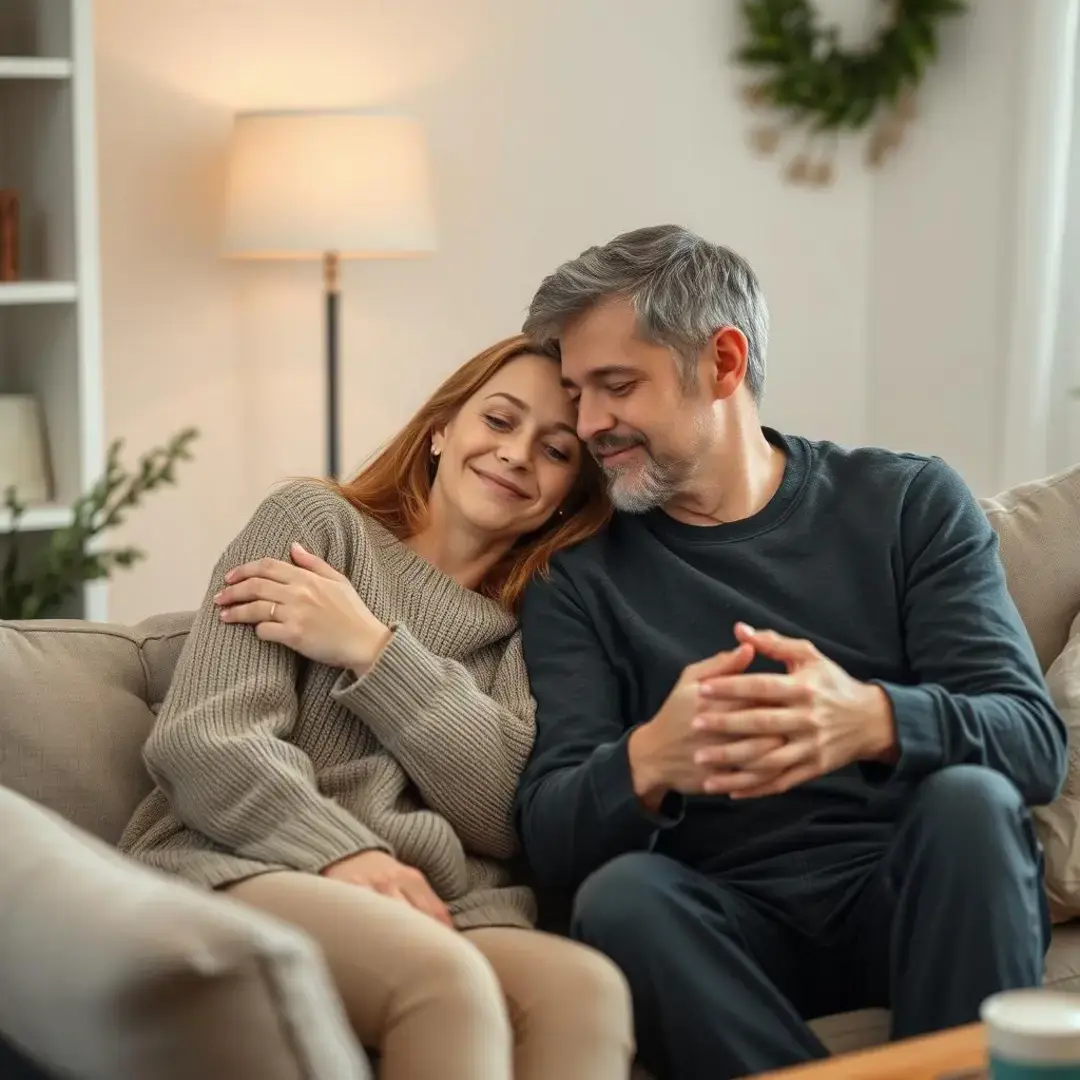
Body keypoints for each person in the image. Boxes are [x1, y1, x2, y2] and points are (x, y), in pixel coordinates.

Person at [514, 225, 1068, 1080]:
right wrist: (651, 758)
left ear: (723, 363)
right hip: (730, 926)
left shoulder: (907, 504)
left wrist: (872, 718)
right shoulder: (578, 580)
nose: (588, 424)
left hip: (914, 898)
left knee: (970, 804)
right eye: (576, 392)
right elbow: (549, 837)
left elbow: (1031, 742)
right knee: (620, 899)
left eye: (616, 386)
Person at [119, 334, 634, 1080]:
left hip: (440, 903)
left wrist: (372, 648)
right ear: (441, 429)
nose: (518, 454)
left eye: (556, 451)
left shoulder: (539, 624)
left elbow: (504, 812)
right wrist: (340, 850)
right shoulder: (316, 526)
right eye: (498, 421)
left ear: (567, 499)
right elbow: (208, 739)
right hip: (248, 861)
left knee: (586, 989)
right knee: (443, 986)